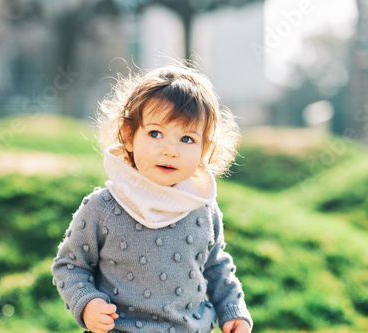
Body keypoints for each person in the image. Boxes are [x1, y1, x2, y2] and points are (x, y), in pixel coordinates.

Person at [52, 64, 252, 333]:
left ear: (205, 149)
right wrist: (86, 303)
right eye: (155, 133)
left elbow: (216, 266)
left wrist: (232, 311)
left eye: (186, 138)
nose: (170, 150)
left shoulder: (202, 208)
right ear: (129, 136)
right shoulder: (103, 207)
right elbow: (69, 264)